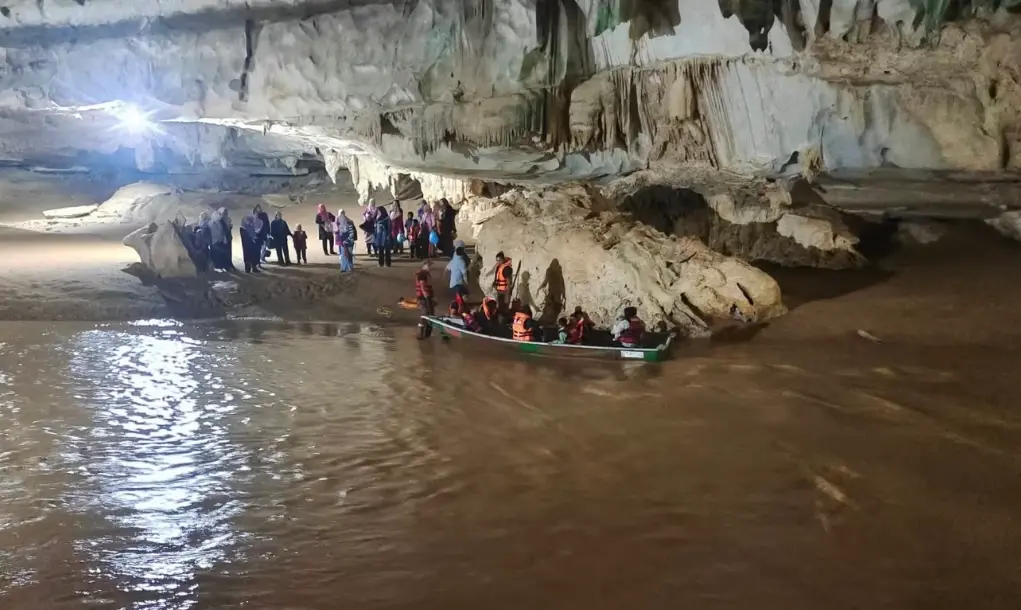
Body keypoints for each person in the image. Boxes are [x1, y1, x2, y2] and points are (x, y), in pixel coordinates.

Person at [446, 244, 469, 313]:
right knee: (462, 298)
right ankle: (460, 311)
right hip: (458, 284)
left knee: (459, 298)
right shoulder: (461, 262)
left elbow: (447, 268)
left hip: (452, 283)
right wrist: (466, 280)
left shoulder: (453, 261)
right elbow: (464, 272)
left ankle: (457, 309)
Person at [239, 208, 263, 273]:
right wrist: (253, 236)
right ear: (253, 213)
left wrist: (254, 237)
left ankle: (254, 267)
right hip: (246, 237)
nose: (257, 215)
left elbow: (258, 230)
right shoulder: (247, 218)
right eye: (256, 214)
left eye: (258, 214)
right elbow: (246, 228)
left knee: (254, 252)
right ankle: (248, 268)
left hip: (253, 238)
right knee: (247, 252)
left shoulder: (259, 221)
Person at [415, 261, 435, 340]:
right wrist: (427, 298)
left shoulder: (425, 274)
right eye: (429, 266)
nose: (431, 269)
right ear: (425, 266)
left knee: (430, 315)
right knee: (425, 316)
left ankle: (427, 335)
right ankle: (420, 335)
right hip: (424, 298)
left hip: (426, 297)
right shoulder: (422, 275)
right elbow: (422, 287)